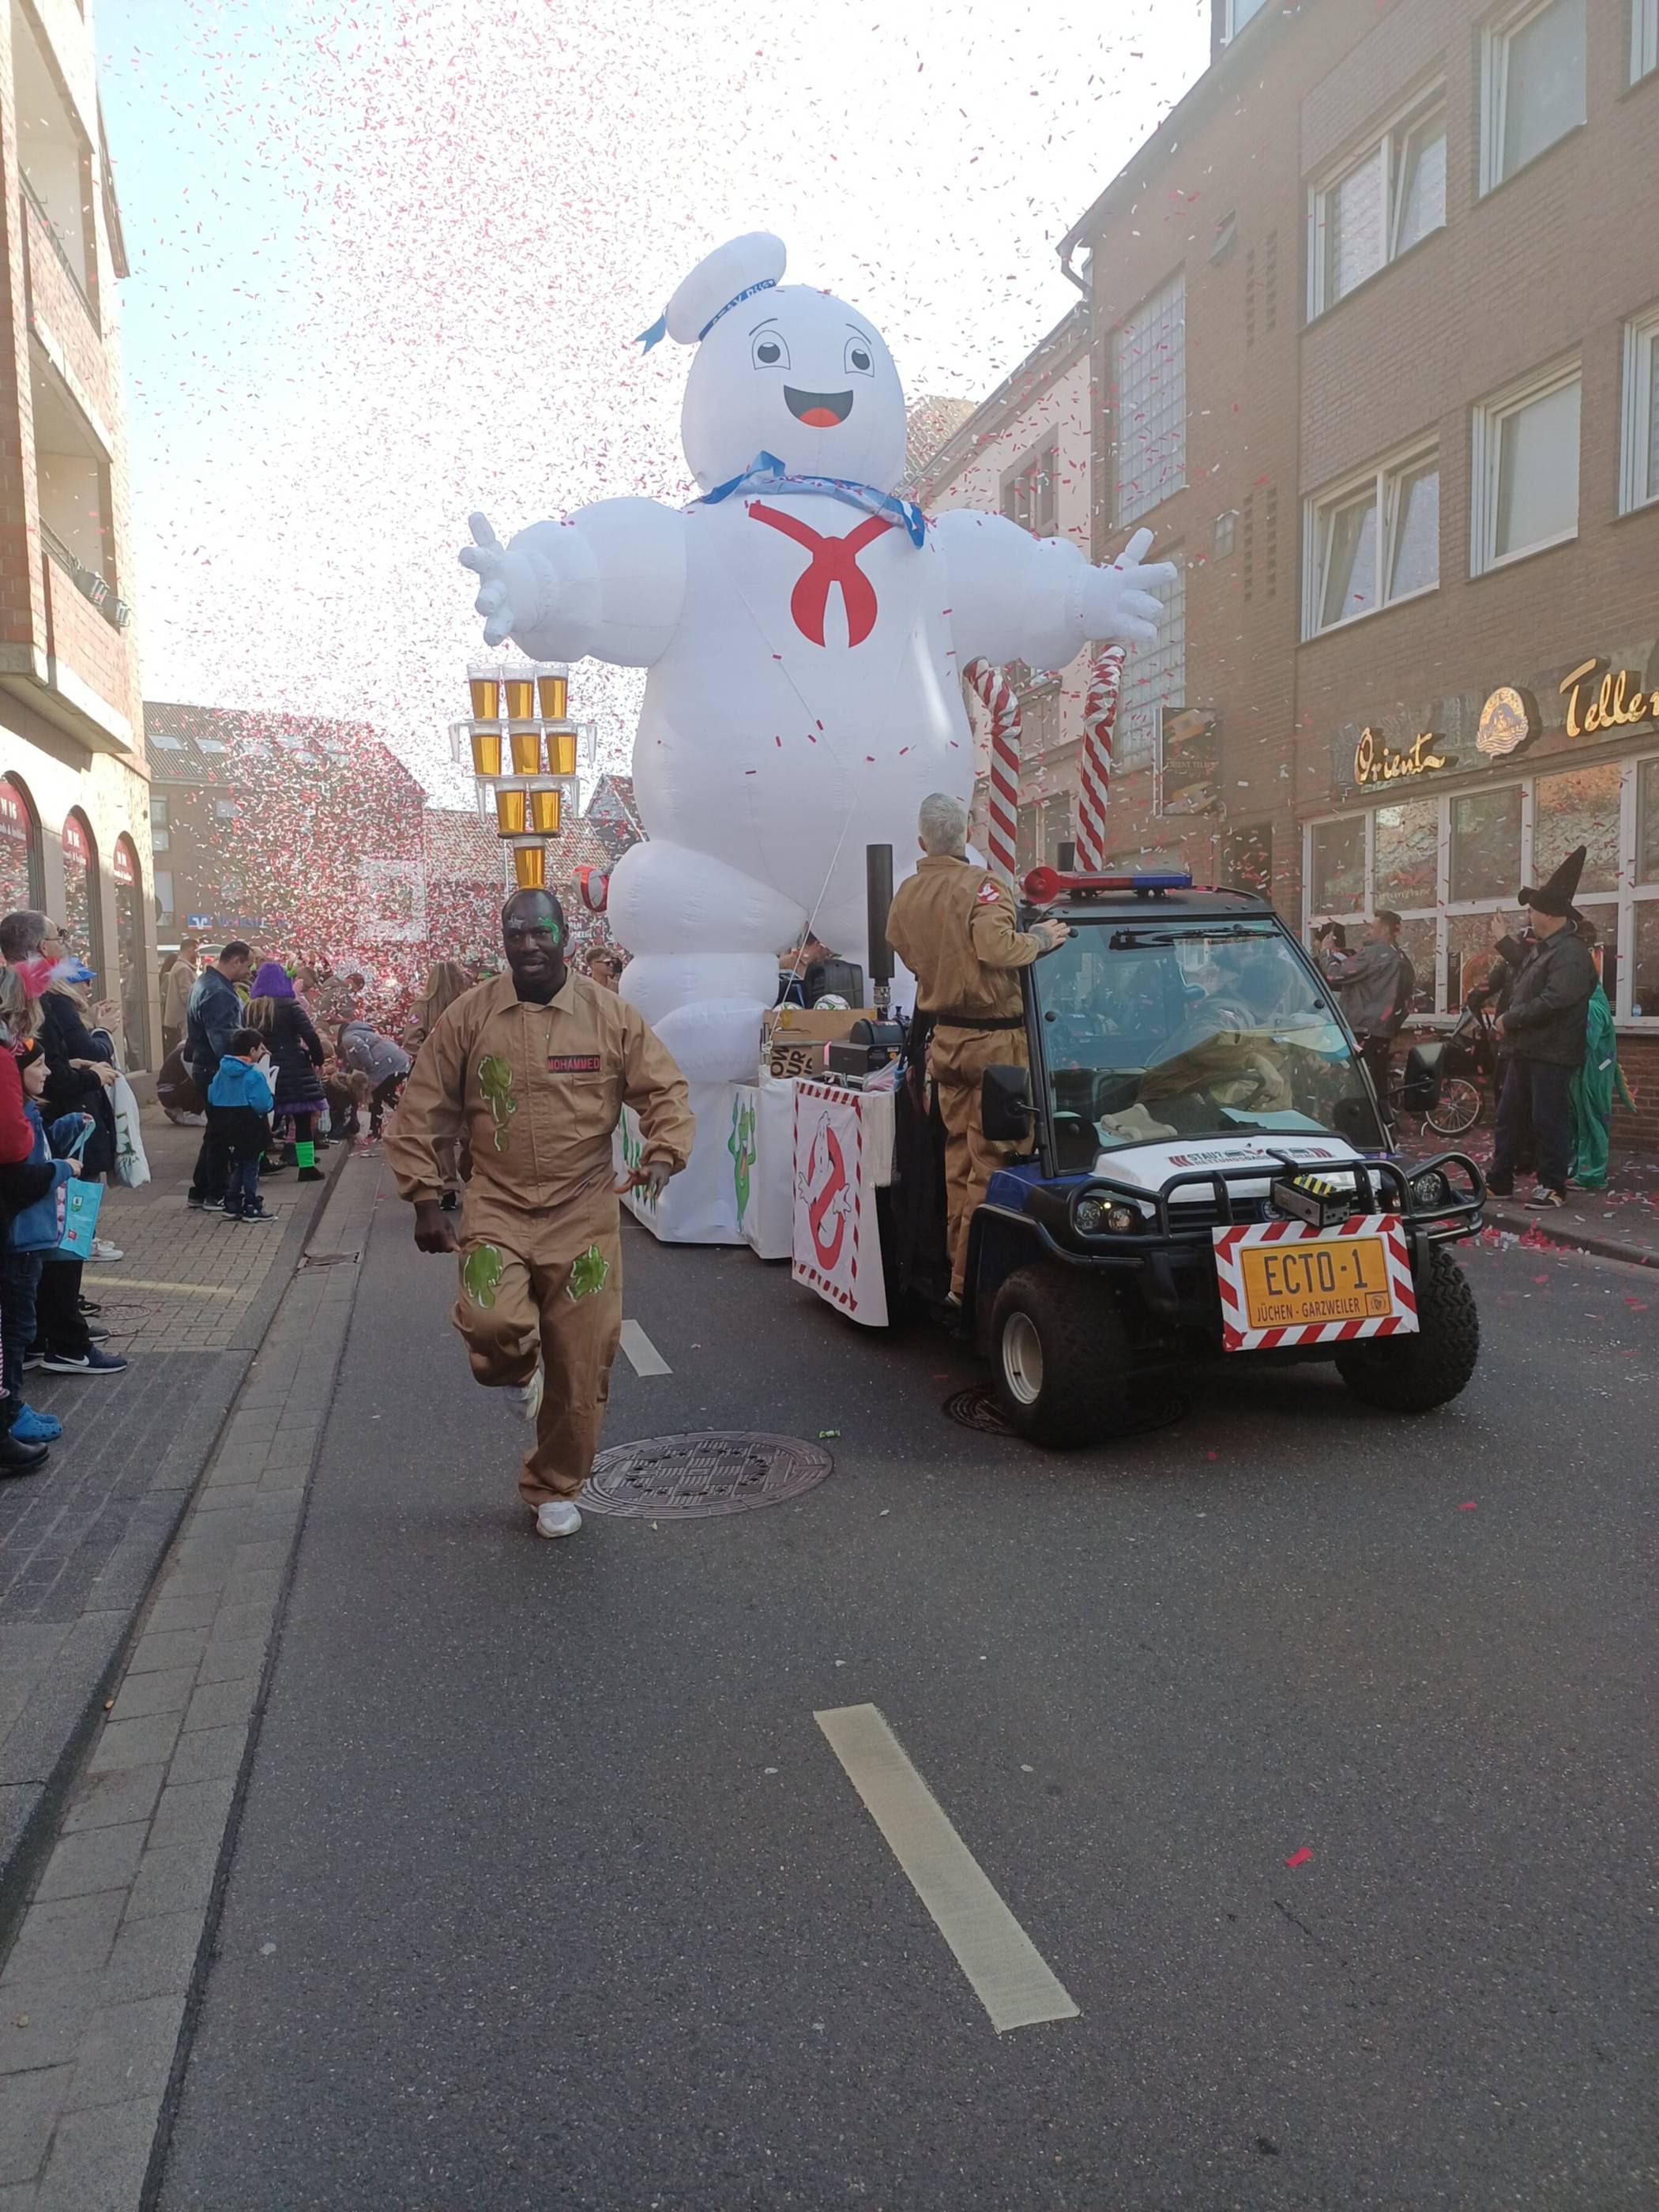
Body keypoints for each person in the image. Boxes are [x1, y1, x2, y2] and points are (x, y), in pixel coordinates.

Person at [386, 889, 693, 1540]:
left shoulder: (610, 1017)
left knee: (582, 1364)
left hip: (583, 1215)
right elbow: (423, 1108)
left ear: (566, 939)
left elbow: (663, 1088)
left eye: (541, 932)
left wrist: (665, 1152)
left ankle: (553, 1485)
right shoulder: (470, 1018)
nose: (528, 944)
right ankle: (515, 1365)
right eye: (516, 933)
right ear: (503, 939)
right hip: (496, 1206)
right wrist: (424, 1199)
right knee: (491, 1321)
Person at [885, 792, 1068, 1304]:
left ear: (921, 841)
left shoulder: (907, 894)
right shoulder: (986, 887)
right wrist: (1044, 941)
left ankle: (953, 1268)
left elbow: (901, 944)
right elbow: (998, 948)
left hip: (947, 1043)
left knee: (958, 1162)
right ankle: (971, 1290)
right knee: (993, 1166)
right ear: (966, 833)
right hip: (998, 1046)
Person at [1488, 846, 1597, 1209]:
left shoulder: (1571, 954)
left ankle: (1553, 1186)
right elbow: (1523, 969)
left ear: (1549, 914)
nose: (1529, 915)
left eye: (1532, 910)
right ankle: (1499, 1181)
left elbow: (1555, 1000)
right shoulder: (1547, 949)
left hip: (1551, 1052)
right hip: (1527, 1049)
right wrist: (1503, 940)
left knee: (1548, 1119)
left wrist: (1509, 1019)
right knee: (1509, 1118)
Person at [1315, 910, 1410, 1108]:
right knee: (1376, 1082)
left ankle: (1365, 1128)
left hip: (1364, 1029)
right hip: (1382, 1031)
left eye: (1372, 927)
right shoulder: (1401, 958)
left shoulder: (1376, 954)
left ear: (1384, 930)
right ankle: (1383, 1124)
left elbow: (1335, 974)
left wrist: (1326, 952)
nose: (1366, 932)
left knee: (1361, 1085)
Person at [1567, 919, 1634, 1193]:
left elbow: (1585, 1040)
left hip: (1593, 1070)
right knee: (1578, 1119)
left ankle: (1592, 1173)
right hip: (1585, 1069)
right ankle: (1578, 1167)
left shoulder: (1592, 1002)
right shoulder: (1587, 995)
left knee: (1591, 1118)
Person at [185, 941, 253, 1209]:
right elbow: (224, 1039)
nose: (249, 971)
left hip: (205, 1066)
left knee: (216, 1130)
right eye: (247, 965)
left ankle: (201, 1190)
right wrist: (241, 1063)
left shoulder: (204, 984)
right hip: (216, 1070)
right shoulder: (220, 993)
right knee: (223, 1132)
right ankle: (216, 1191)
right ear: (235, 961)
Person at [403, 961, 476, 1209]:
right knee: (465, 1130)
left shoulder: (427, 1007)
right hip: (457, 1075)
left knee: (448, 1132)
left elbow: (411, 1041)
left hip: (446, 1076)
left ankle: (450, 1183)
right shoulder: (463, 1004)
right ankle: (462, 1181)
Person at [246, 961, 327, 1181]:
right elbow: (310, 1036)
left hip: (263, 1070)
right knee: (302, 1120)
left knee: (263, 1121)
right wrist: (318, 1059)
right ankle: (307, 1167)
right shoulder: (291, 1006)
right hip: (294, 1070)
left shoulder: (251, 1008)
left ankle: (256, 1165)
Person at [208, 1028, 277, 1224]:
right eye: (260, 1049)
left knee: (237, 1162)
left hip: (226, 1124)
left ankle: (232, 1202)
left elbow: (211, 1095)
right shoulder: (253, 1076)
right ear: (252, 1050)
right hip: (250, 1125)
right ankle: (251, 1204)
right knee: (251, 1165)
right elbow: (263, 1103)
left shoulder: (221, 1073)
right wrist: (271, 1102)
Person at [337, 1014, 411, 1141]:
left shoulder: (347, 1037)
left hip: (387, 1066)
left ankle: (376, 1130)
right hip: (398, 1062)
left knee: (376, 1095)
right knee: (385, 1094)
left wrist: (368, 1067)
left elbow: (361, 1048)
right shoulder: (360, 1031)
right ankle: (408, 1118)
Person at [161, 939, 200, 1055]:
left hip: (176, 1023)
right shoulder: (184, 969)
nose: (198, 955)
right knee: (182, 1054)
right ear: (190, 950)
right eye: (196, 951)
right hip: (182, 1023)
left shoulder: (178, 967)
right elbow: (188, 997)